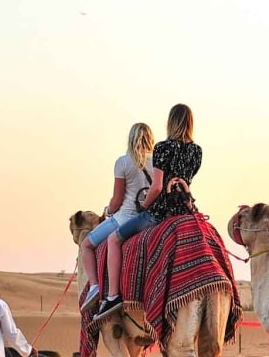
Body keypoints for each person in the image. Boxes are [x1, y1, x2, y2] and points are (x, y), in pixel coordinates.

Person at [94, 103, 201, 321]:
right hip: (185, 211)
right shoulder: (197, 151)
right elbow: (185, 182)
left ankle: (113, 295)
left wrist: (144, 206)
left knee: (114, 239)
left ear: (171, 121)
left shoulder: (163, 148)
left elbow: (158, 187)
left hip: (160, 213)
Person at [78, 123, 156, 313]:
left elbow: (117, 199)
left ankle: (96, 287)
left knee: (86, 245)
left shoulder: (123, 162)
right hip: (150, 218)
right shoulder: (158, 162)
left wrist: (108, 211)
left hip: (125, 217)